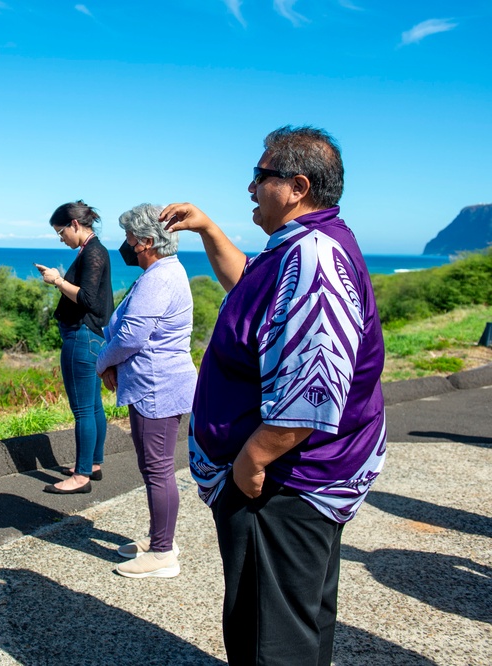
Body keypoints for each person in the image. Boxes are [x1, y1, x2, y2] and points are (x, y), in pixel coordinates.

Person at [160, 126, 386, 665]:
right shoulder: (298, 246)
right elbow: (249, 286)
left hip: (282, 482)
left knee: (270, 635)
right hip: (291, 475)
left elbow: (315, 385)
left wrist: (252, 459)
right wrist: (209, 229)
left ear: (296, 186)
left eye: (260, 177)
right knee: (293, 618)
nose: (251, 188)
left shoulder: (312, 258)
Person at [95, 203, 196, 578]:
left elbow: (131, 336)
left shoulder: (159, 278)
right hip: (155, 383)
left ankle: (163, 553)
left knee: (157, 469)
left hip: (158, 386)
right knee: (156, 467)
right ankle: (159, 538)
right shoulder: (163, 271)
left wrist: (102, 363)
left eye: (129, 239)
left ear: (148, 241)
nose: (126, 245)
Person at [35, 200, 114, 494]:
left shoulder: (93, 252)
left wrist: (57, 281)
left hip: (82, 337)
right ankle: (92, 464)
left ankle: (80, 477)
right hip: (92, 337)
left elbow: (88, 300)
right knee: (93, 406)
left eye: (61, 232)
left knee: (82, 410)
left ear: (75, 225)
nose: (61, 238)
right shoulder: (95, 250)